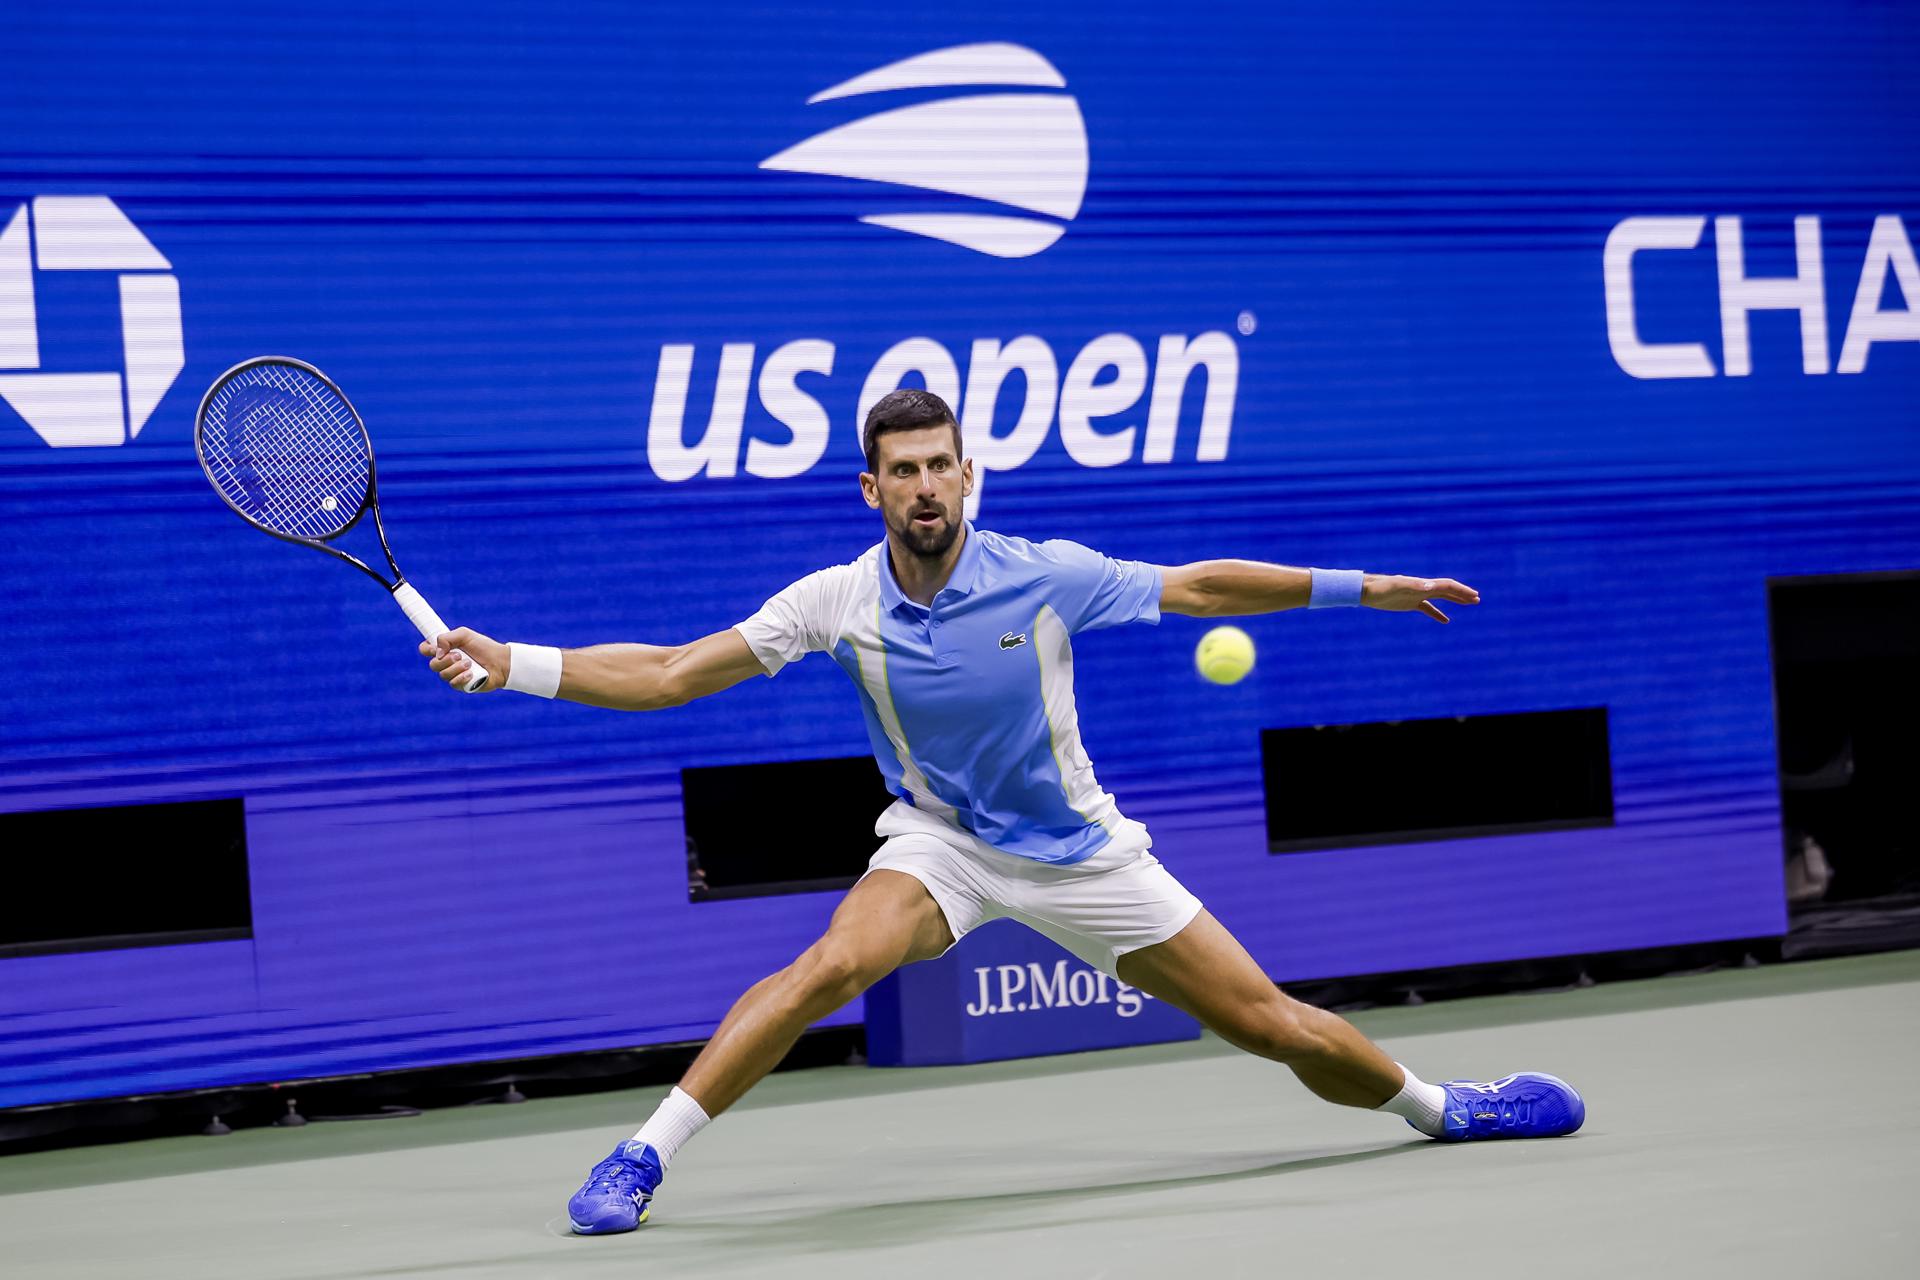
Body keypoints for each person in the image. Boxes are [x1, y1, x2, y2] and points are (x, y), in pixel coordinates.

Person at [422, 389, 1585, 1236]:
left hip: (1084, 853)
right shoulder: (835, 599)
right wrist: (515, 663)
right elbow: (675, 671)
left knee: (1272, 1024)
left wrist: (1367, 587)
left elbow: (1199, 584)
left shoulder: (1044, 573)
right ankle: (640, 1157)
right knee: (832, 963)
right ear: (872, 488)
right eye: (904, 470)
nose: (926, 485)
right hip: (943, 844)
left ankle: (1448, 1107)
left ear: (969, 476)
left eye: (942, 464)